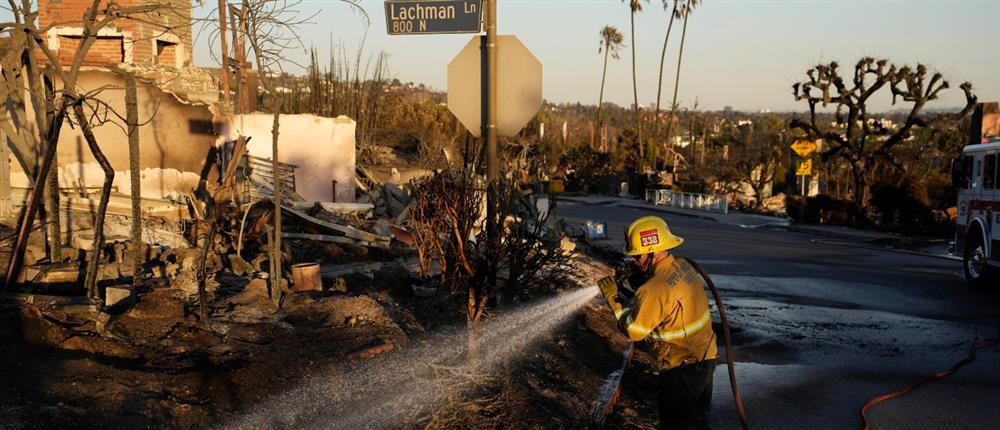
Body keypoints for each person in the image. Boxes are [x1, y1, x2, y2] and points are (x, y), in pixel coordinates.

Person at [598, 215, 718, 430]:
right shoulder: (682, 266)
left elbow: (635, 331)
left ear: (653, 251)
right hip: (705, 359)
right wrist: (636, 275)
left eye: (637, 257)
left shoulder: (653, 290)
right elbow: (662, 300)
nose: (634, 260)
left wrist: (614, 300)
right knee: (698, 423)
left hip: (680, 368)